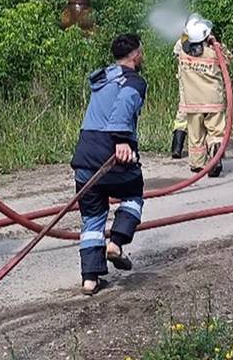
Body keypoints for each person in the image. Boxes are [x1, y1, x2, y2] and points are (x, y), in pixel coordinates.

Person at [71, 33, 148, 295]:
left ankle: (90, 280)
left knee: (92, 218)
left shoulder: (103, 78)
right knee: (133, 192)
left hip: (85, 156)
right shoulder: (133, 81)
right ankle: (116, 242)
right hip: (111, 154)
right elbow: (124, 105)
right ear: (136, 55)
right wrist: (122, 140)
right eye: (142, 51)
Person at [173, 15, 229, 177]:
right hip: (213, 101)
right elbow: (227, 60)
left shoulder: (183, 54)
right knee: (215, 132)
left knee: (195, 135)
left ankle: (197, 164)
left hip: (192, 102)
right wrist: (216, 43)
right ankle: (215, 158)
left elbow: (180, 47)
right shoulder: (213, 53)